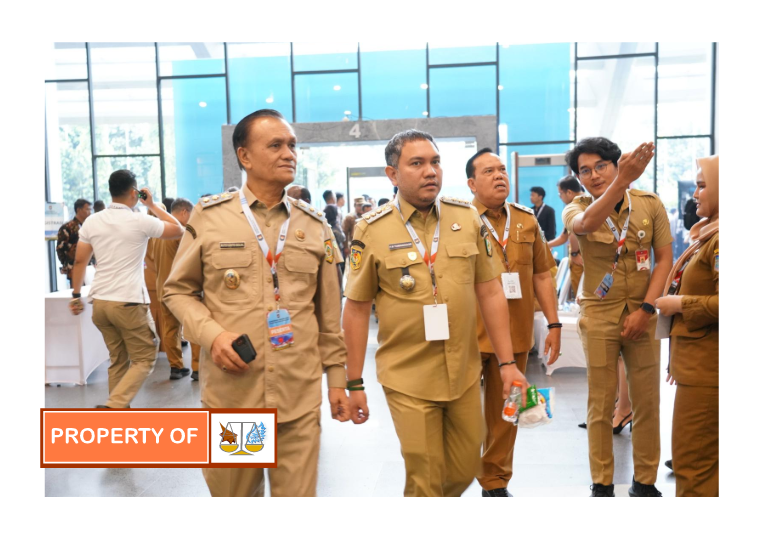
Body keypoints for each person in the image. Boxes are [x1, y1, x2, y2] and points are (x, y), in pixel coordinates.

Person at [163, 109, 349, 497]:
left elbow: (329, 315)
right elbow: (177, 291)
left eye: (293, 145)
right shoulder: (211, 217)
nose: (289, 154)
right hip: (235, 400)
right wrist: (212, 336)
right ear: (244, 156)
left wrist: (336, 380)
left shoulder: (314, 225)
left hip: (298, 399)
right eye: (276, 145)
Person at [342, 129, 528, 497]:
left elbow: (490, 291)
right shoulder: (372, 229)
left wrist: (507, 364)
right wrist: (354, 381)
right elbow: (357, 310)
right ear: (393, 174)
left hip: (463, 373)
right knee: (425, 475)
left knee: (464, 468)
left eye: (436, 162)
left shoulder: (466, 218)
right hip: (407, 376)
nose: (431, 171)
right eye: (417, 163)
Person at [562, 137, 673, 497]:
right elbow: (586, 224)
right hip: (598, 315)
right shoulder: (577, 208)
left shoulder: (649, 203)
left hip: (644, 313)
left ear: (615, 164)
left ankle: (645, 481)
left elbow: (664, 260)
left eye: (601, 166)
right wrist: (620, 181)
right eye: (584, 171)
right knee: (600, 401)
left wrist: (647, 309)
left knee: (647, 401)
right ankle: (602, 482)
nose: (593, 175)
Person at [466, 148, 560, 497]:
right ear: (472, 183)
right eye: (489, 171)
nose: (499, 175)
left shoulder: (526, 219)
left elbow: (542, 275)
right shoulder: (458, 222)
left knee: (506, 414)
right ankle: (454, 475)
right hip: (468, 333)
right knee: (458, 413)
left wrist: (554, 325)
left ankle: (495, 482)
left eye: (502, 169)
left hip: (516, 333)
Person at [68, 170, 183, 408]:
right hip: (128, 302)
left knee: (118, 359)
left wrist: (76, 295)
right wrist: (152, 205)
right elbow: (178, 229)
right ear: (134, 192)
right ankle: (115, 405)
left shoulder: (92, 221)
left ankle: (116, 414)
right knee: (145, 357)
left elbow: (79, 262)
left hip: (100, 303)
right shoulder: (140, 220)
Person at [656, 155, 719, 497]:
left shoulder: (721, 240)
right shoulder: (709, 235)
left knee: (693, 465)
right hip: (697, 365)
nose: (695, 194)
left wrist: (680, 304)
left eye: (702, 185)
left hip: (707, 372)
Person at [154, 198, 200, 380]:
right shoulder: (181, 232)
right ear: (184, 212)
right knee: (193, 327)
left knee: (170, 330)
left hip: (162, 288)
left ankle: (176, 367)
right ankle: (197, 368)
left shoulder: (158, 232)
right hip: (182, 289)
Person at [548, 176, 584, 300]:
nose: (560, 197)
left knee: (581, 296)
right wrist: (546, 245)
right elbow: (563, 237)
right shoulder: (589, 202)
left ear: (569, 192)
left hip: (580, 256)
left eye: (560, 193)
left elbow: (573, 233)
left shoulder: (574, 206)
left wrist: (574, 253)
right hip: (587, 256)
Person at [145, 203, 167, 356]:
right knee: (165, 317)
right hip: (163, 279)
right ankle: (168, 346)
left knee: (150, 315)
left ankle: (152, 345)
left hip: (147, 279)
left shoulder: (144, 235)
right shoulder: (165, 235)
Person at [56, 198, 92, 285]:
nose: (90, 212)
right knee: (78, 292)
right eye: (87, 209)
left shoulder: (89, 226)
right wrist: (67, 265)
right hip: (75, 268)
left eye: (90, 210)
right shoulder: (67, 227)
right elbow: (60, 248)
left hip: (90, 268)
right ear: (78, 210)